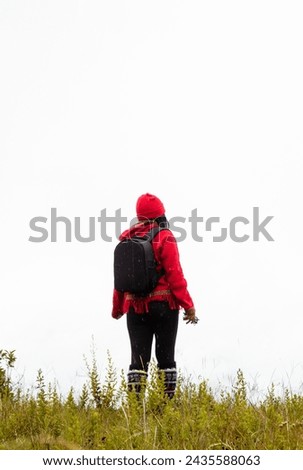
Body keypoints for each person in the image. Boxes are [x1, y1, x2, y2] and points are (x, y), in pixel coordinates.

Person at [112, 193, 197, 398]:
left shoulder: (127, 239)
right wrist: (188, 305)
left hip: (134, 308)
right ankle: (164, 410)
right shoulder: (164, 236)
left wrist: (117, 308)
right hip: (163, 307)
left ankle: (135, 409)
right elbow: (175, 274)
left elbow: (120, 279)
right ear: (160, 213)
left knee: (138, 361)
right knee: (166, 360)